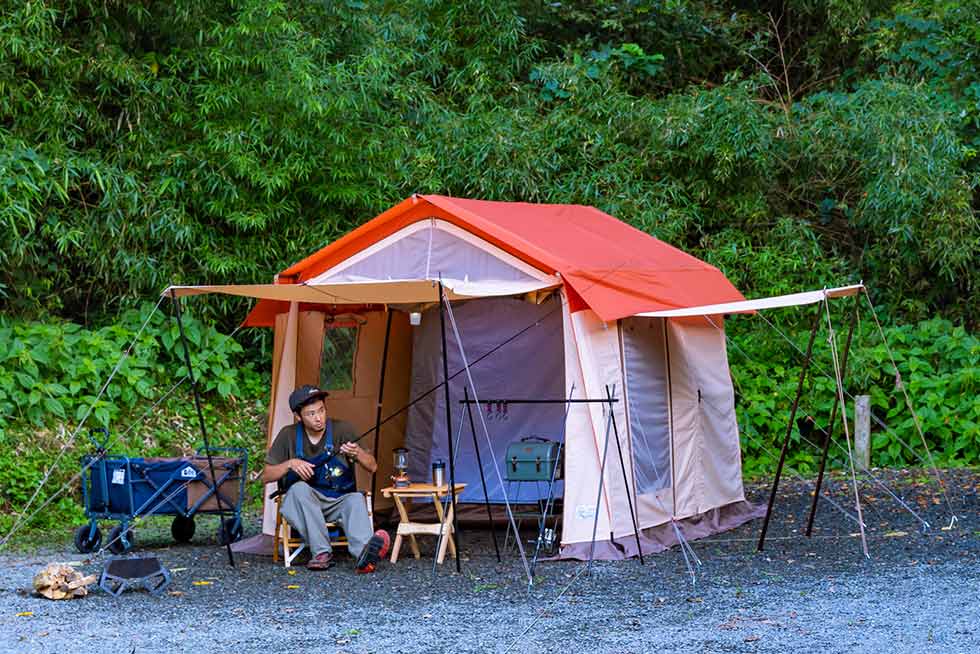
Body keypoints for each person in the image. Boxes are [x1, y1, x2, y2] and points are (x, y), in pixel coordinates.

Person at [262, 384, 390, 572]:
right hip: (305, 505)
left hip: (337, 500)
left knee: (355, 499)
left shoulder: (343, 429)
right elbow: (266, 476)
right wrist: (290, 463)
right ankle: (321, 553)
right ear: (298, 416)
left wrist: (358, 453)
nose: (318, 418)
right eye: (311, 414)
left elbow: (373, 466)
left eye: (321, 410)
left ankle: (365, 554)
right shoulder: (287, 435)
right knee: (298, 489)